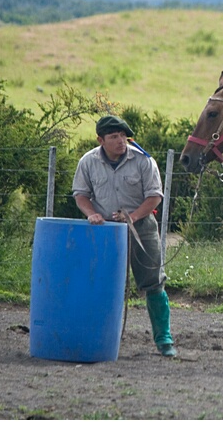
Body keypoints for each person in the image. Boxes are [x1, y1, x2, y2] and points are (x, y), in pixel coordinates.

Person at [72, 115, 177, 357]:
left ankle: (164, 339)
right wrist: (92, 214)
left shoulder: (143, 160)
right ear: (101, 139)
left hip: (142, 228)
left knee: (154, 281)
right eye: (114, 137)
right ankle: (99, 336)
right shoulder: (88, 162)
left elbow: (154, 196)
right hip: (105, 230)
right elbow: (81, 194)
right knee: (102, 282)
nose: (120, 141)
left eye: (122, 136)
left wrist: (134, 216)